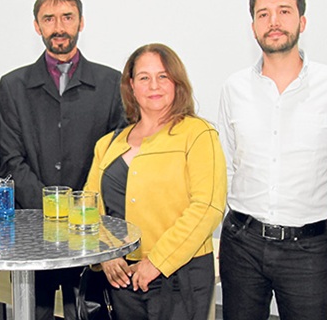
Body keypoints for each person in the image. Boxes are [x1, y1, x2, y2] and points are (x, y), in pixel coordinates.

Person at [216, 0, 327, 320]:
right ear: (253, 27)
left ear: (302, 22)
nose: (273, 21)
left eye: (284, 12)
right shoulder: (234, 88)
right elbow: (228, 163)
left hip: (309, 247)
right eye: (263, 14)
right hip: (242, 243)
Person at [0, 0, 127, 319]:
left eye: (67, 17)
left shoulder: (111, 83)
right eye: (49, 18)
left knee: (87, 314)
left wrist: (81, 208)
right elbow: (10, 159)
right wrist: (53, 207)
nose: (59, 27)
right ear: (36, 26)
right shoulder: (12, 85)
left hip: (91, 230)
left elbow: (115, 161)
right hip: (30, 230)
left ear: (81, 22)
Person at [83, 43, 225, 320]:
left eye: (163, 76)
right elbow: (89, 209)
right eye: (144, 77)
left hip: (181, 276)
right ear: (131, 86)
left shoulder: (198, 134)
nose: (154, 85)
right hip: (121, 278)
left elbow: (207, 207)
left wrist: (157, 262)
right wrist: (107, 254)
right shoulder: (107, 145)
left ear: (177, 82)